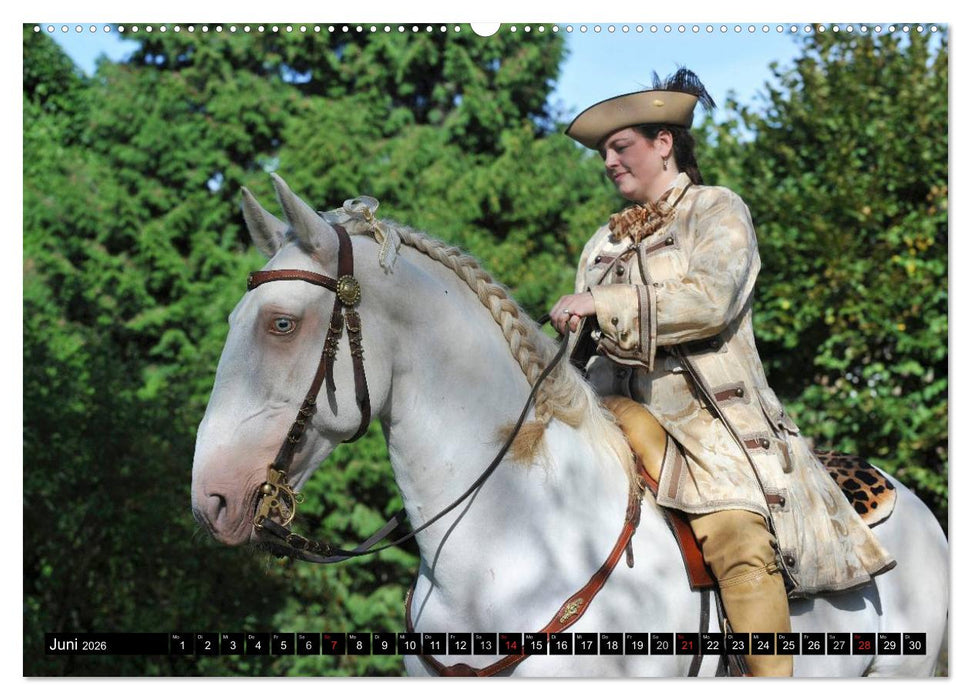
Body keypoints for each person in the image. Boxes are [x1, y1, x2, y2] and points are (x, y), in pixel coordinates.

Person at [550, 68, 895, 677]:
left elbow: (709, 301)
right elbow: (593, 346)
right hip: (610, 417)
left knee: (738, 542)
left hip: (711, 431)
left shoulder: (717, 210)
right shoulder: (599, 243)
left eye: (619, 145)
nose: (608, 160)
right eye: (604, 151)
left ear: (664, 143)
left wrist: (603, 305)